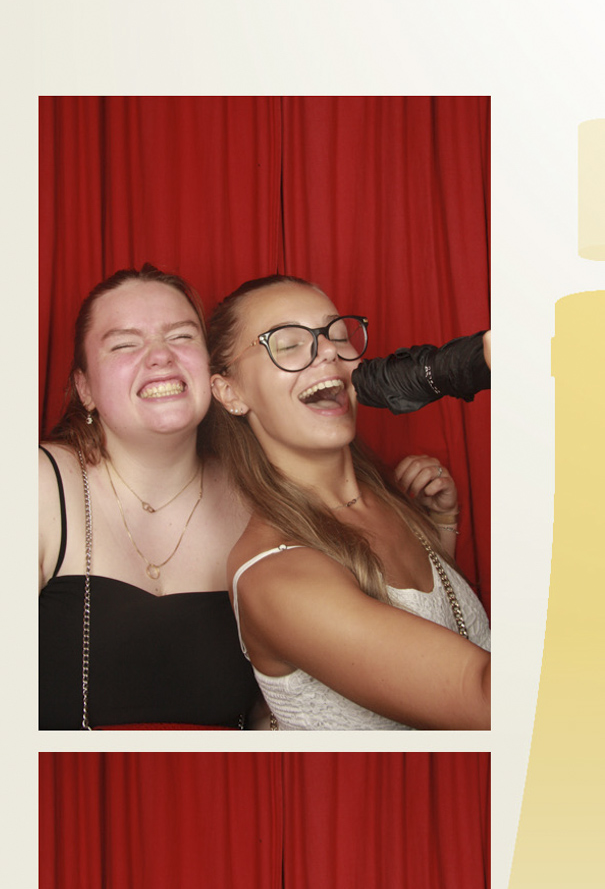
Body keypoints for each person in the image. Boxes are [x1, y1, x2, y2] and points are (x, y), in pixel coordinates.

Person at [208, 275, 491, 729]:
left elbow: (438, 626)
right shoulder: (276, 577)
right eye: (288, 344)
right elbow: (489, 702)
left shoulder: (386, 500)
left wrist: (441, 523)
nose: (328, 352)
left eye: (338, 335)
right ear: (230, 392)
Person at [39, 266, 258, 730]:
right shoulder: (38, 483)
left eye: (181, 336)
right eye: (124, 344)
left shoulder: (257, 494)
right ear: (85, 389)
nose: (160, 356)